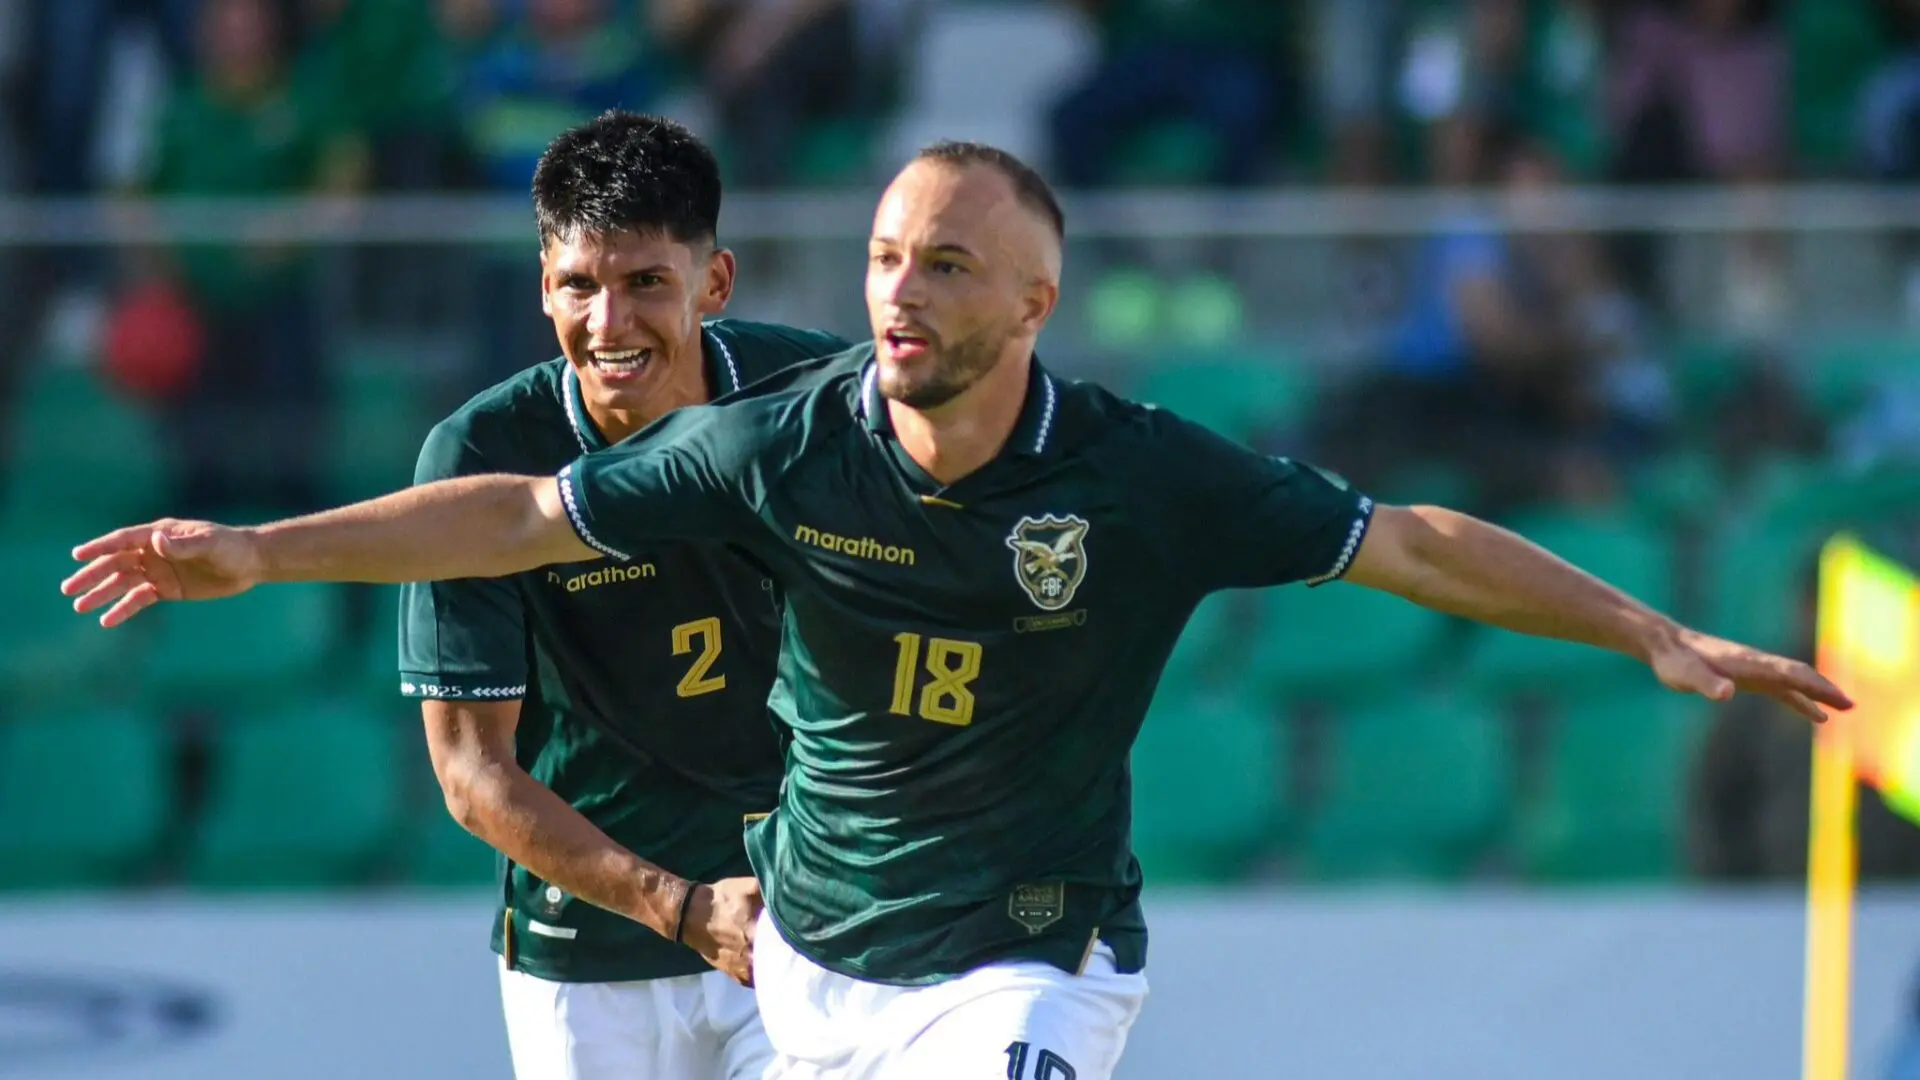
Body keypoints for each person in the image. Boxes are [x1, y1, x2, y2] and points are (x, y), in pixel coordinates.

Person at [64, 141, 1852, 1080]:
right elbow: (527, 513)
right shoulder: (782, 446)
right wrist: (262, 550)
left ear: (1040, 299)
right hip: (817, 964)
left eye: (946, 264)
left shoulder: (1144, 473)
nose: (901, 291)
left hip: (1027, 958)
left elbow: (1411, 543)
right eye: (886, 256)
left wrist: (1649, 633)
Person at [417, 110, 850, 1080]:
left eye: (646, 283)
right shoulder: (481, 455)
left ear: (716, 282)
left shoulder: (819, 403)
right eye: (579, 285)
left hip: (799, 932)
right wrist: (679, 907)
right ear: (544, 289)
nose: (609, 325)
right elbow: (471, 776)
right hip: (585, 959)